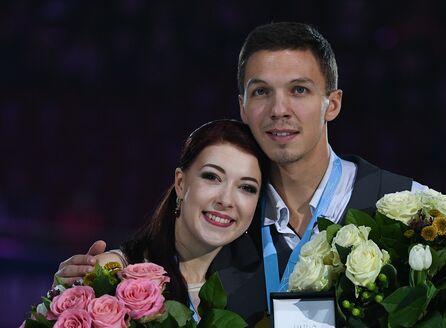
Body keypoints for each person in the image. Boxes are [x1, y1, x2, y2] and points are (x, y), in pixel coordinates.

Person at [55, 22, 425, 322]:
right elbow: (156, 259)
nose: (279, 109)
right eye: (261, 92)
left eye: (299, 90)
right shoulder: (225, 217)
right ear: (244, 107)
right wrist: (96, 282)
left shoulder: (408, 206)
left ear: (333, 104)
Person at [55, 119, 269, 323]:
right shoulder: (114, 272)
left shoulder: (254, 294)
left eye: (247, 188)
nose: (226, 200)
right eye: (212, 177)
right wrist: (59, 297)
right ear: (181, 183)